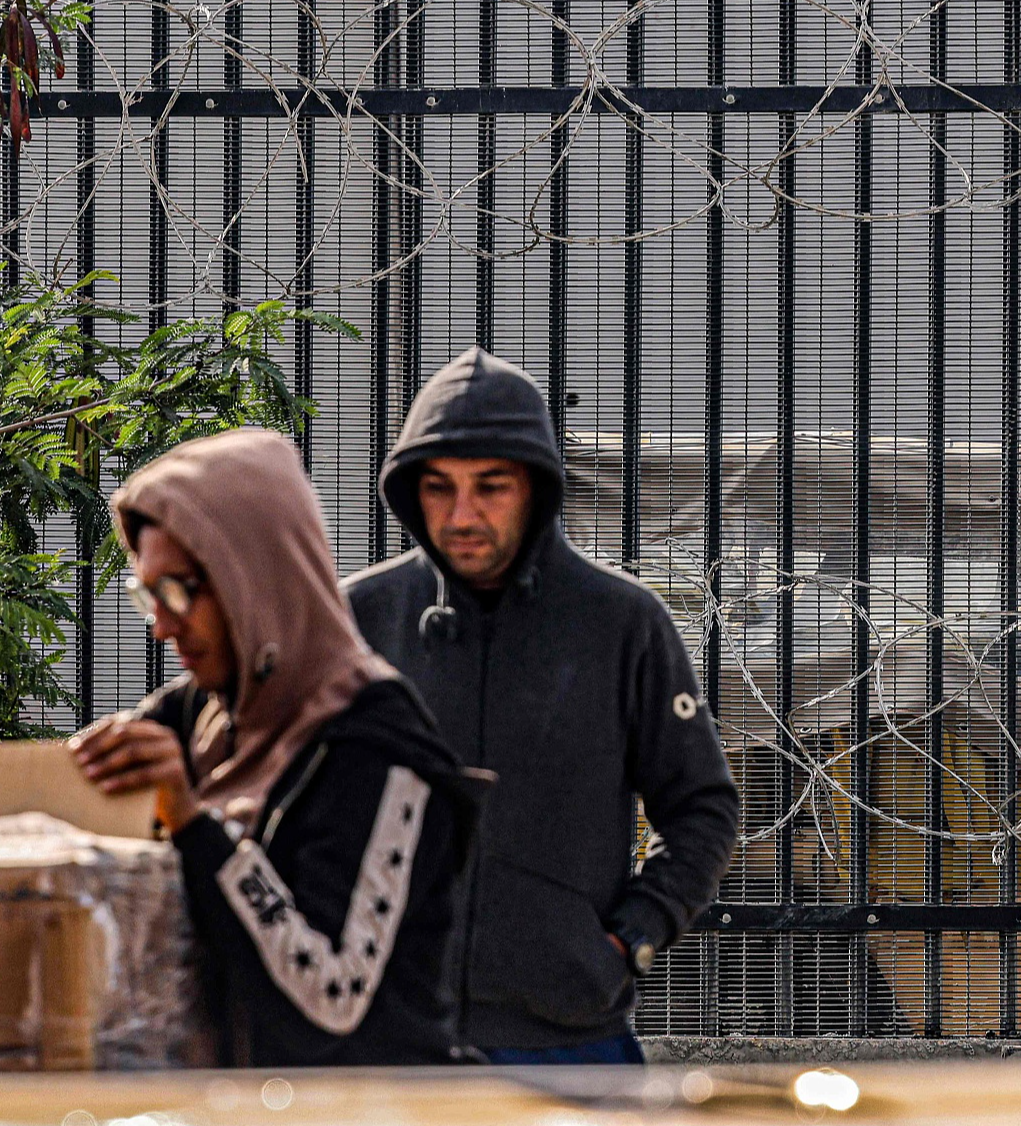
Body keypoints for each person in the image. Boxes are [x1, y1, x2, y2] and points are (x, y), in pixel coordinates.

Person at [344, 346, 739, 1065]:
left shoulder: (621, 622)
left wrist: (629, 941)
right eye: (437, 488)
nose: (461, 515)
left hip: (569, 1039)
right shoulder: (358, 618)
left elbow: (701, 807)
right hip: (385, 1039)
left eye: (489, 487)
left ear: (535, 486)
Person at [70, 429, 484, 1067]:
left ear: (252, 579)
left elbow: (332, 1001)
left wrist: (196, 828)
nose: (161, 624)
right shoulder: (199, 714)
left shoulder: (375, 745)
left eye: (179, 590)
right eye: (148, 595)